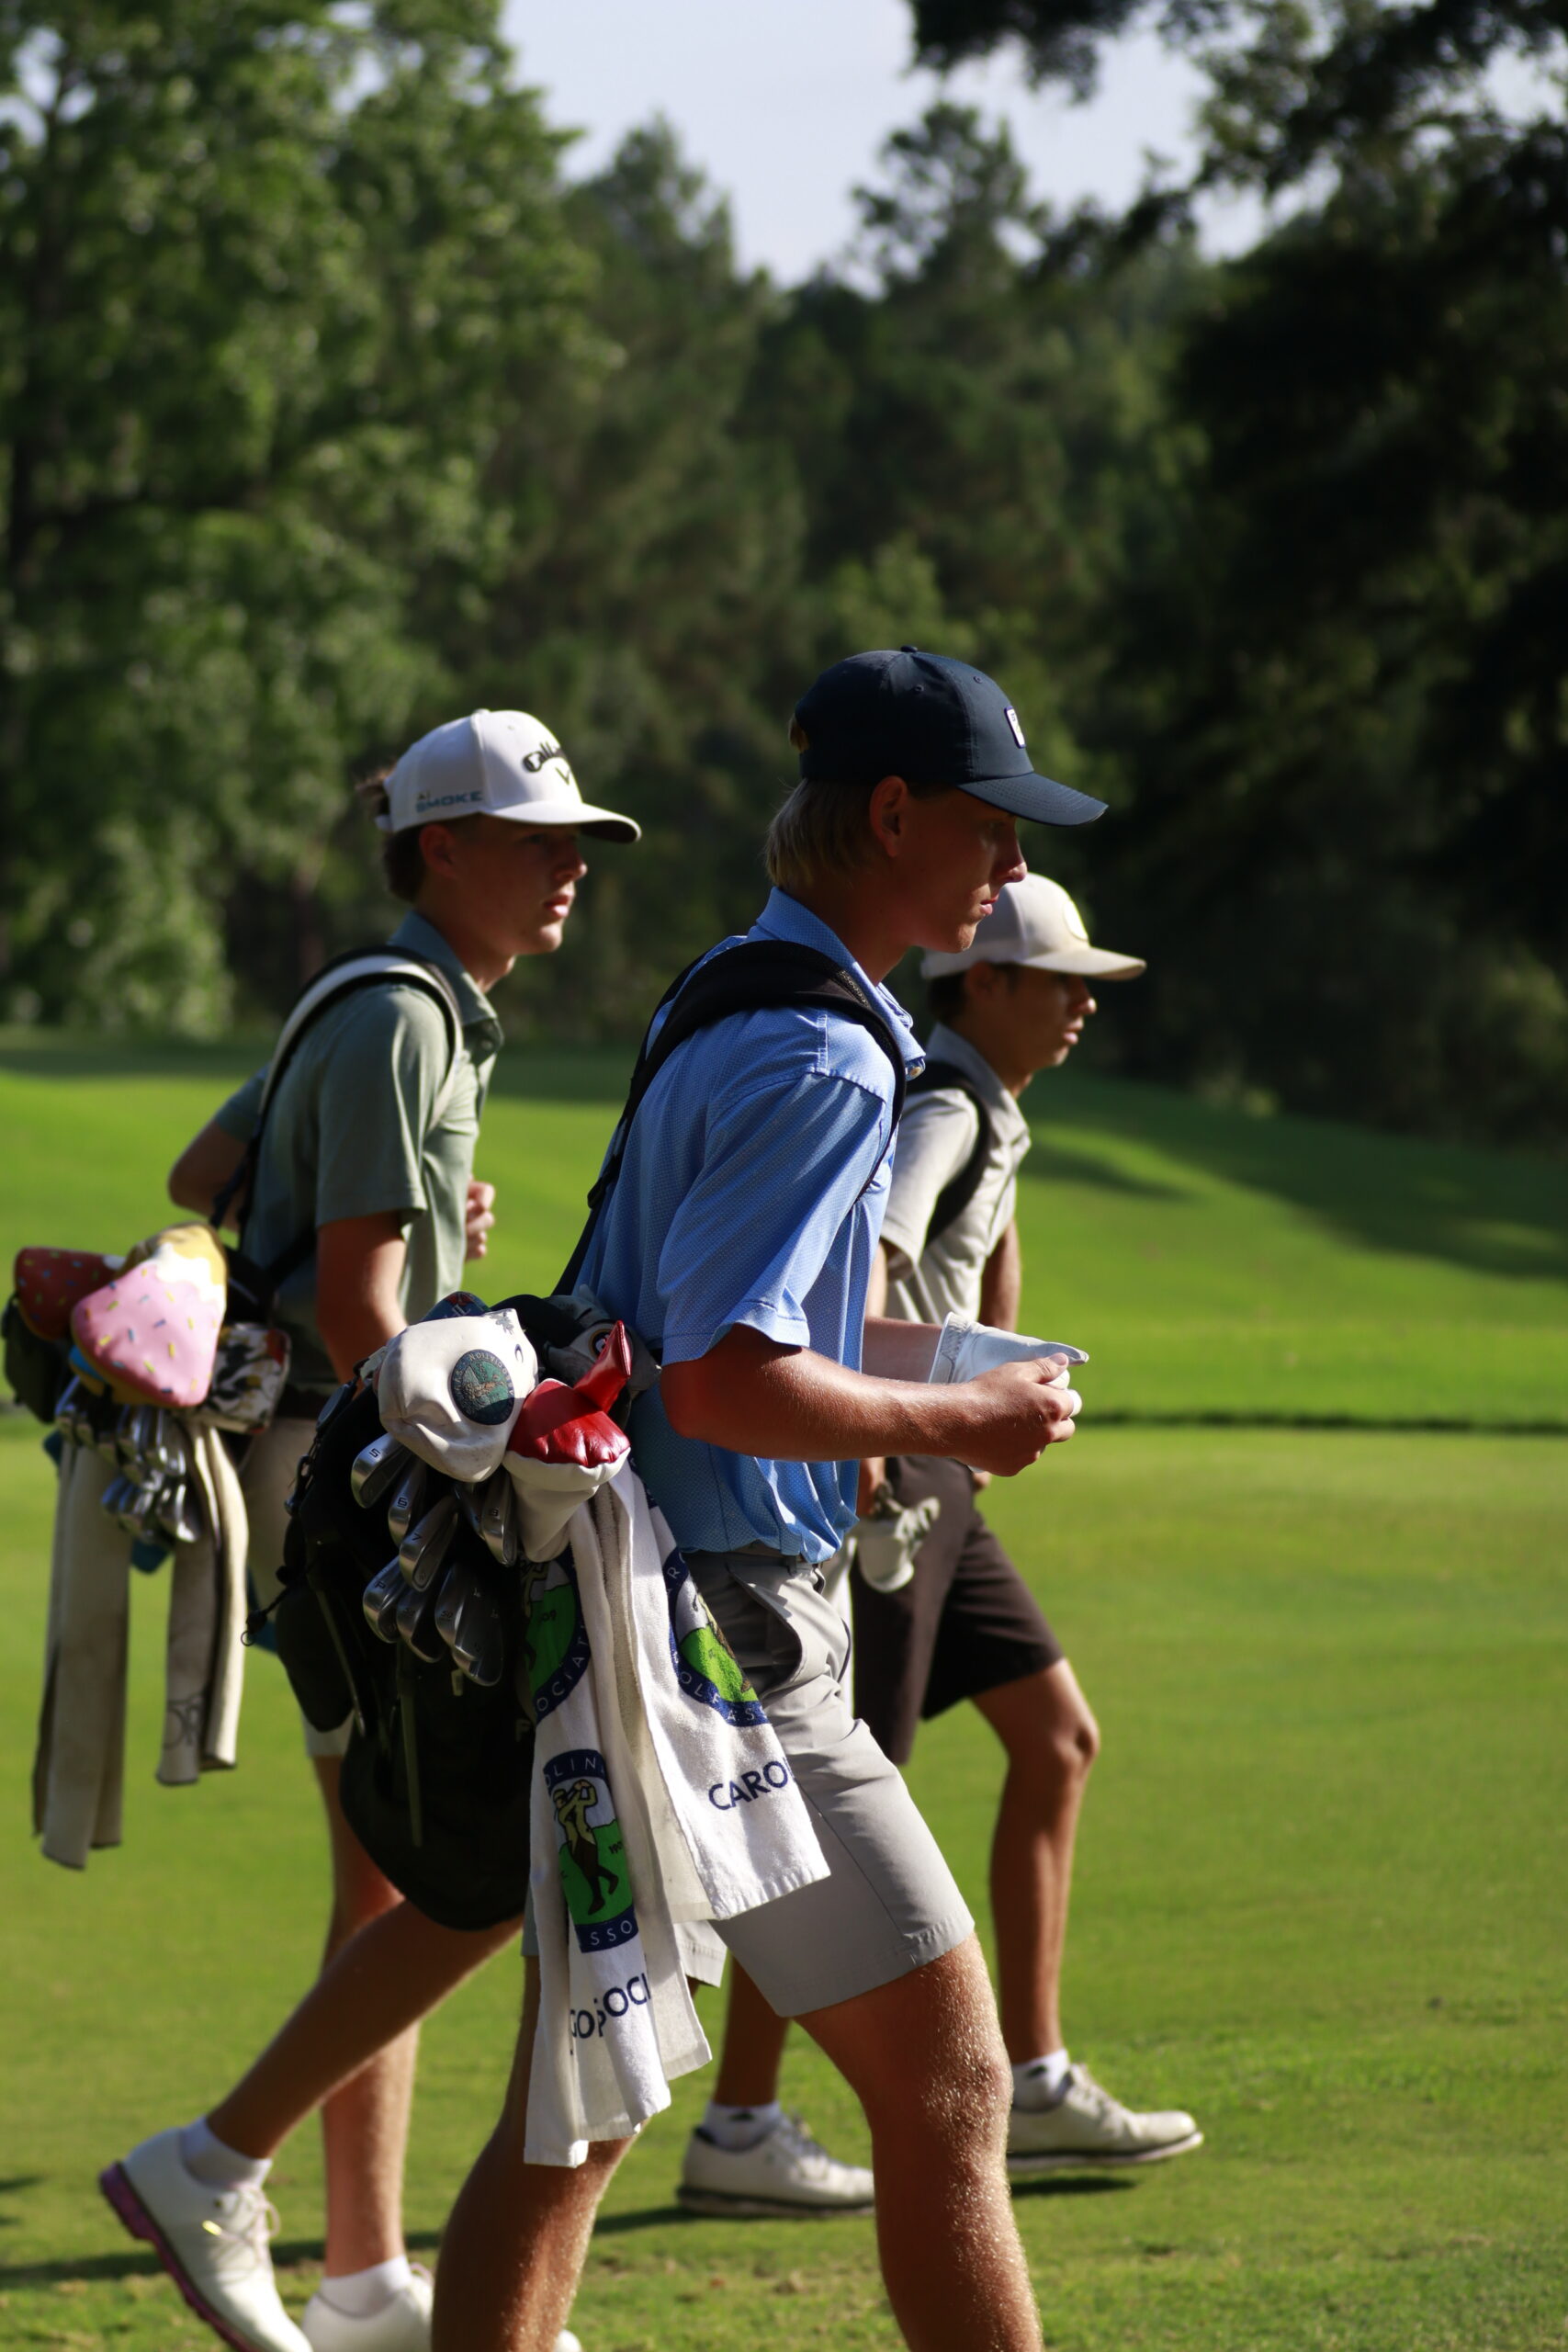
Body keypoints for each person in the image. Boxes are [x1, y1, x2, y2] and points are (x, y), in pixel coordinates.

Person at [430, 645, 1101, 2352]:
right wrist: (963, 1420)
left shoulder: (739, 986)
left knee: (577, 2113)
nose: (1012, 863)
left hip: (623, 1612)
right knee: (952, 2081)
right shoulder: (829, 1055)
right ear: (895, 815)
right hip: (724, 1645)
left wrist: (944, 1367)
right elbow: (728, 1380)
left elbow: (716, 1329)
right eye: (993, 825)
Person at [101, 711, 639, 2352]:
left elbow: (206, 1165)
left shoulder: (369, 994)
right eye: (533, 841)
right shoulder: (409, 1017)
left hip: (303, 1471)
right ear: (441, 850)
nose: (567, 869)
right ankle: (218, 2168)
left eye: (575, 845)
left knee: (389, 1885)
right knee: (458, 1872)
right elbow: (358, 1311)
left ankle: (359, 2275)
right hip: (351, 1492)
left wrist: (402, 1204)